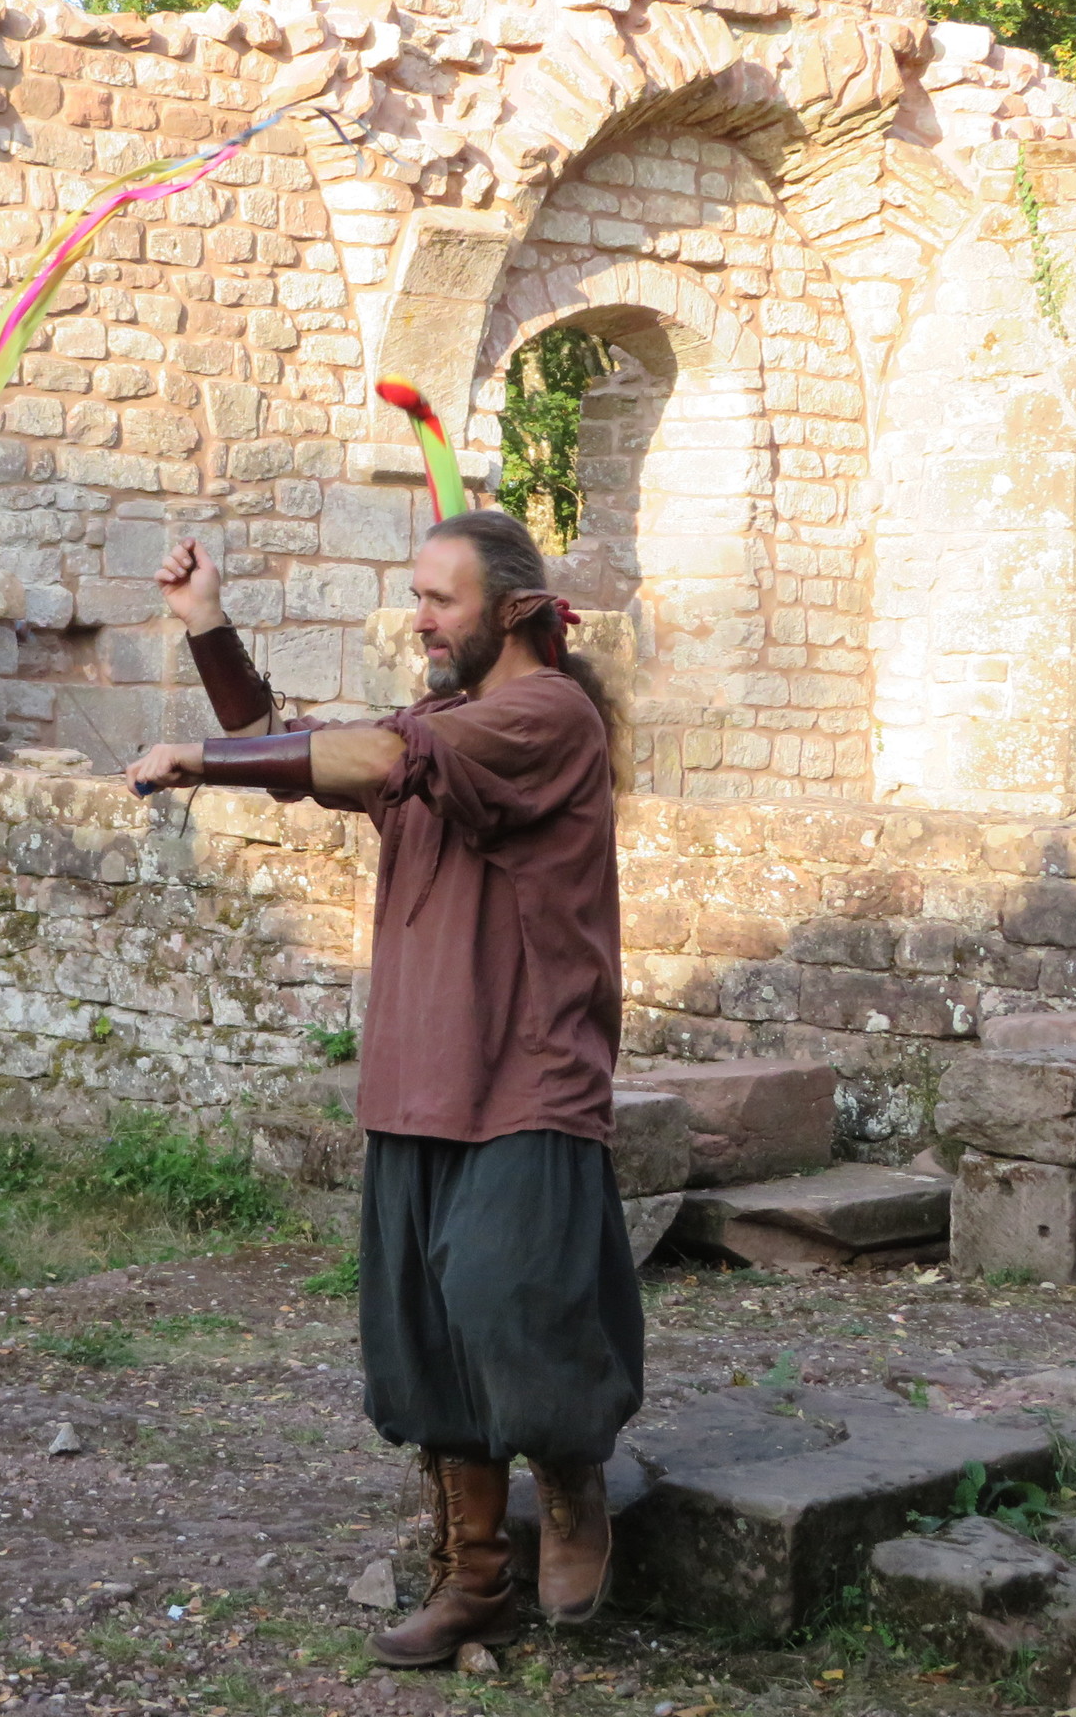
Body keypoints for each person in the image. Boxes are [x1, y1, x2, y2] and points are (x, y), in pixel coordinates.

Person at [122, 510, 637, 1660]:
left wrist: (195, 758)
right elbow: (292, 746)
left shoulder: (549, 717)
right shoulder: (439, 725)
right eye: (418, 596)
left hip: (527, 1076)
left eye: (440, 599)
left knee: (510, 1298)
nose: (420, 619)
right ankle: (474, 1577)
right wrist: (208, 627)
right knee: (427, 1340)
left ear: (516, 612)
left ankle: (570, 1481)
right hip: (417, 1078)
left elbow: (374, 757)